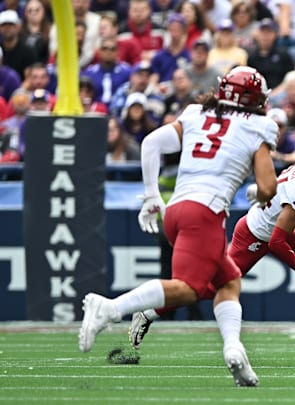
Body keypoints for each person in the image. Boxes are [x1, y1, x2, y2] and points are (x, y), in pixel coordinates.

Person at [78, 66, 278, 388]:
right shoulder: (259, 126)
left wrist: (152, 195)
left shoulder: (197, 112)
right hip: (205, 214)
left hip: (175, 212)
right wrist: (257, 191)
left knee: (228, 280)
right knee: (188, 289)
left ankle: (233, 349)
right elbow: (268, 188)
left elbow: (150, 144)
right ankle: (111, 308)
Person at [127, 134, 295, 355]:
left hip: (279, 228)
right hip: (255, 235)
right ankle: (149, 312)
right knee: (208, 288)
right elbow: (277, 242)